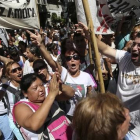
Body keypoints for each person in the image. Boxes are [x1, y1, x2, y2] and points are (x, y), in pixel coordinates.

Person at [76, 22, 140, 139]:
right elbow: (105, 49)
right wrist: (90, 36)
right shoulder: (125, 57)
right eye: (134, 44)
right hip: (118, 119)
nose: (135, 48)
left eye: (139, 46)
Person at [26, 30, 96, 120]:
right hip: (68, 117)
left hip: (84, 117)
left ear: (79, 60)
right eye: (68, 58)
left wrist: (91, 93)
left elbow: (93, 98)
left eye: (75, 57)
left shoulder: (86, 76)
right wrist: (41, 45)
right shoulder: (64, 73)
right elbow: (51, 61)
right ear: (66, 62)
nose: (72, 60)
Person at [13, 73, 73, 140]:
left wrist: (59, 85)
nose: (41, 89)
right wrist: (52, 95)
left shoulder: (48, 95)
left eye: (41, 85)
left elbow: (70, 94)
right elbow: (34, 124)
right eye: (35, 88)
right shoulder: (20, 107)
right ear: (25, 93)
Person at [0, 61, 24, 140]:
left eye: (19, 68)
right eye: (14, 71)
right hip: (14, 121)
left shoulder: (27, 82)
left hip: (28, 117)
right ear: (9, 75)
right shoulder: (5, 86)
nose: (18, 71)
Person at [0, 65, 14, 140]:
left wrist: (2, 76)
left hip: (10, 113)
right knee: (9, 138)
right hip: (2, 116)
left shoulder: (4, 80)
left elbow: (6, 84)